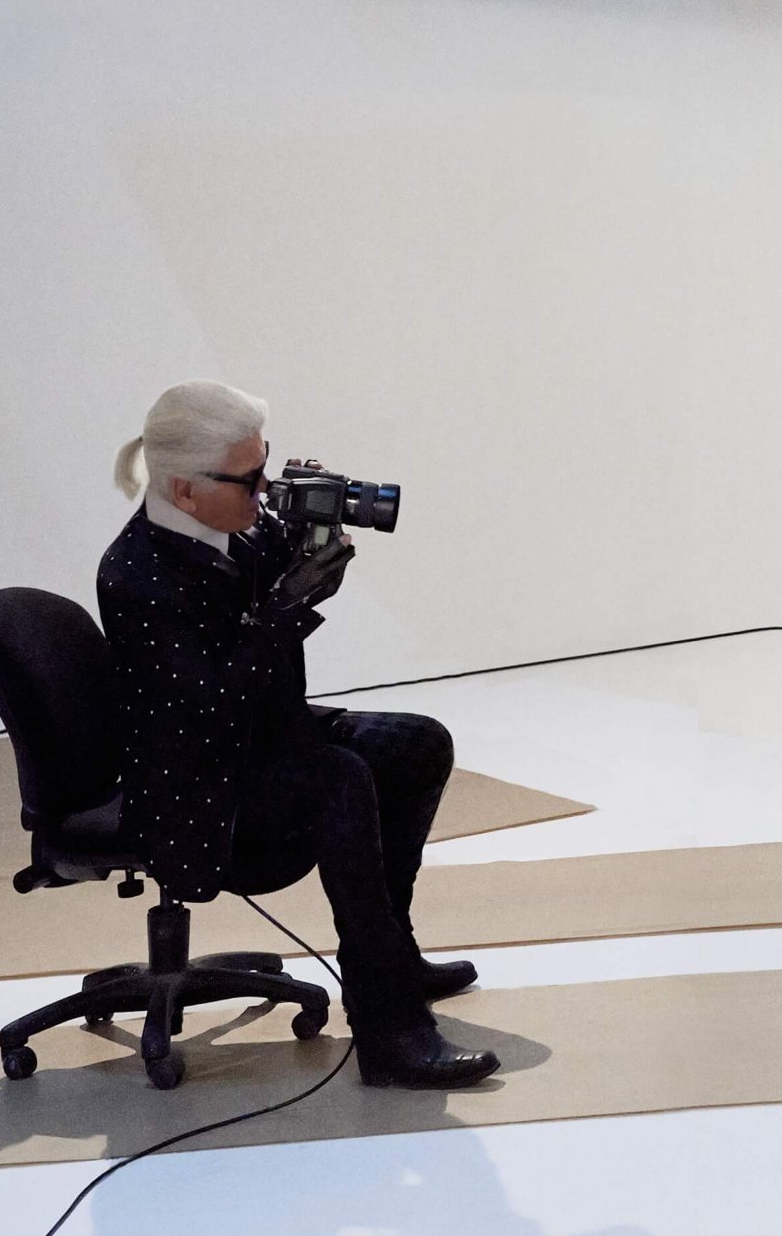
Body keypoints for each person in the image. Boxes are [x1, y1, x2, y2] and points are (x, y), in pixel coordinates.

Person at [98, 380, 499, 1089]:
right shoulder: (139, 576)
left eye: (270, 466)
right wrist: (286, 608)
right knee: (339, 778)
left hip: (260, 738)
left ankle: (392, 955)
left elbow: (272, 612)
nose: (267, 489)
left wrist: (312, 551)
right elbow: (212, 707)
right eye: (252, 478)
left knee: (418, 744)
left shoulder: (236, 523)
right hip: (198, 789)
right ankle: (389, 1028)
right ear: (186, 491)